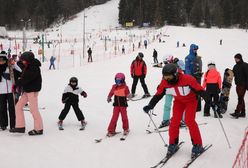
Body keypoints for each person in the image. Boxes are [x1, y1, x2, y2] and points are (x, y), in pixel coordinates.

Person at [143, 63, 211, 157]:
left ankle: (197, 145)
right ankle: (173, 143)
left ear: (175, 74)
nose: (167, 79)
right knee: (174, 121)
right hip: (179, 101)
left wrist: (209, 100)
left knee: (189, 120)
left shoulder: (187, 79)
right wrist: (150, 105)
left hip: (191, 100)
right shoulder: (165, 83)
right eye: (165, 77)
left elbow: (200, 90)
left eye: (169, 77)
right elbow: (158, 95)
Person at [9, 51, 43, 136]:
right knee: (18, 107)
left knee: (33, 110)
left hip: (32, 91)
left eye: (24, 60)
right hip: (27, 91)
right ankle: (20, 127)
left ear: (28, 59)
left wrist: (16, 84)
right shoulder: (28, 66)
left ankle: (39, 129)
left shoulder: (33, 67)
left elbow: (25, 79)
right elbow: (22, 75)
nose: (23, 61)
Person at [159, 56, 186, 129]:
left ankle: (182, 120)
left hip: (178, 88)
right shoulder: (166, 68)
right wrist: (160, 86)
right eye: (166, 62)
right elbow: (164, 78)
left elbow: (183, 70)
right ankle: (166, 120)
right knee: (167, 105)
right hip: (168, 89)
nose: (166, 63)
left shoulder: (177, 64)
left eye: (167, 61)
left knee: (180, 104)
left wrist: (178, 64)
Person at [0, 51, 22, 130]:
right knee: (2, 108)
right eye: (0, 60)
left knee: (12, 108)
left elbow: (20, 71)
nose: (1, 62)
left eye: (3, 60)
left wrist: (14, 64)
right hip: (1, 92)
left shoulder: (9, 67)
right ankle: (3, 124)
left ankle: (13, 125)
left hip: (10, 90)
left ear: (6, 60)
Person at [185, 44, 203, 111]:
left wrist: (200, 73)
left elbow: (199, 67)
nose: (195, 50)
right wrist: (189, 77)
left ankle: (198, 107)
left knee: (198, 91)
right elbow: (187, 68)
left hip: (198, 77)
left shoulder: (198, 58)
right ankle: (191, 106)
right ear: (191, 49)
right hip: (192, 78)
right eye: (194, 49)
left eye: (196, 49)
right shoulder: (188, 58)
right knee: (191, 92)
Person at [230, 54, 248, 118]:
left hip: (243, 85)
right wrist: (228, 71)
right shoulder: (235, 66)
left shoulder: (245, 65)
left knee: (240, 98)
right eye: (235, 59)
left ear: (240, 58)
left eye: (237, 59)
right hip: (238, 84)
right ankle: (243, 112)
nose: (236, 60)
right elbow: (233, 73)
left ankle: (237, 112)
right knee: (241, 98)